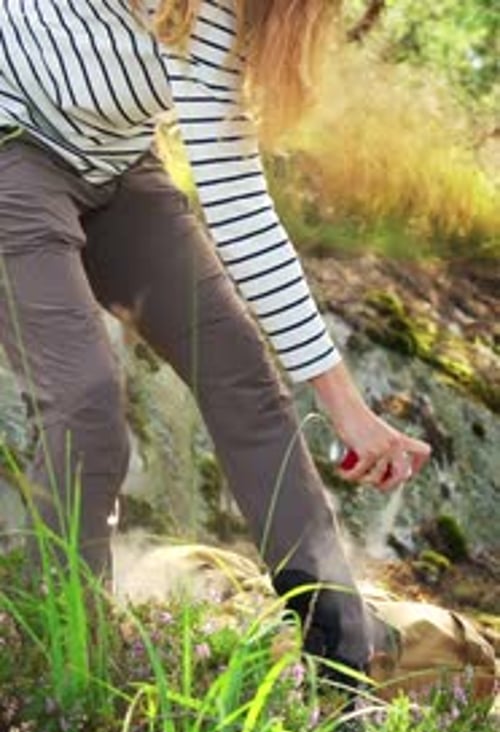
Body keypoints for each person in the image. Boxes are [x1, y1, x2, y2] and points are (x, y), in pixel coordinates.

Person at [0, 0, 430, 681]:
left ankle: (341, 641)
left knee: (239, 370)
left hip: (115, 166)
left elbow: (239, 201)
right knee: (85, 398)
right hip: (11, 148)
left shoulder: (222, 14)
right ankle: (55, 657)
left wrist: (346, 407)